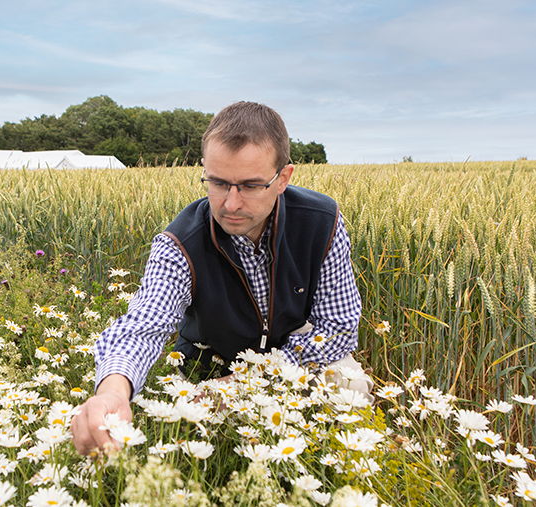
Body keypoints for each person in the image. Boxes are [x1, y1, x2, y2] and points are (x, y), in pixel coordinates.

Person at [71, 101, 368, 456]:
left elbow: (339, 327)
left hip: (292, 362)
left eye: (250, 186)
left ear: (283, 179)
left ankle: (335, 463)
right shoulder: (180, 243)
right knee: (174, 434)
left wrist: (253, 380)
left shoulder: (322, 222)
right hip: (207, 365)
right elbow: (143, 325)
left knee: (351, 385)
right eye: (218, 182)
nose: (231, 203)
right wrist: (112, 391)